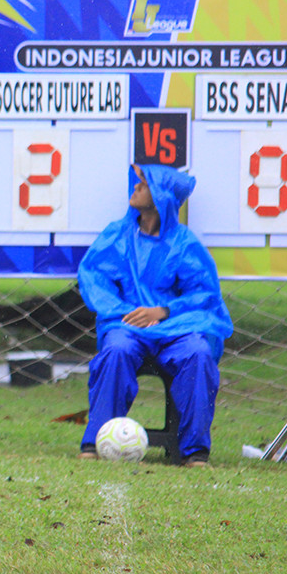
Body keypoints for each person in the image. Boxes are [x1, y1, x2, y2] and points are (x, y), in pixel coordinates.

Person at [77, 163, 233, 466]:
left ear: (162, 196)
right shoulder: (117, 234)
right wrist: (127, 312)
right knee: (116, 350)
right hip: (128, 325)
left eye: (143, 184)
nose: (135, 188)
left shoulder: (185, 243)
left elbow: (204, 293)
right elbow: (94, 278)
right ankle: (95, 442)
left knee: (199, 353)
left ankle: (194, 450)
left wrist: (164, 311)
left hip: (177, 329)